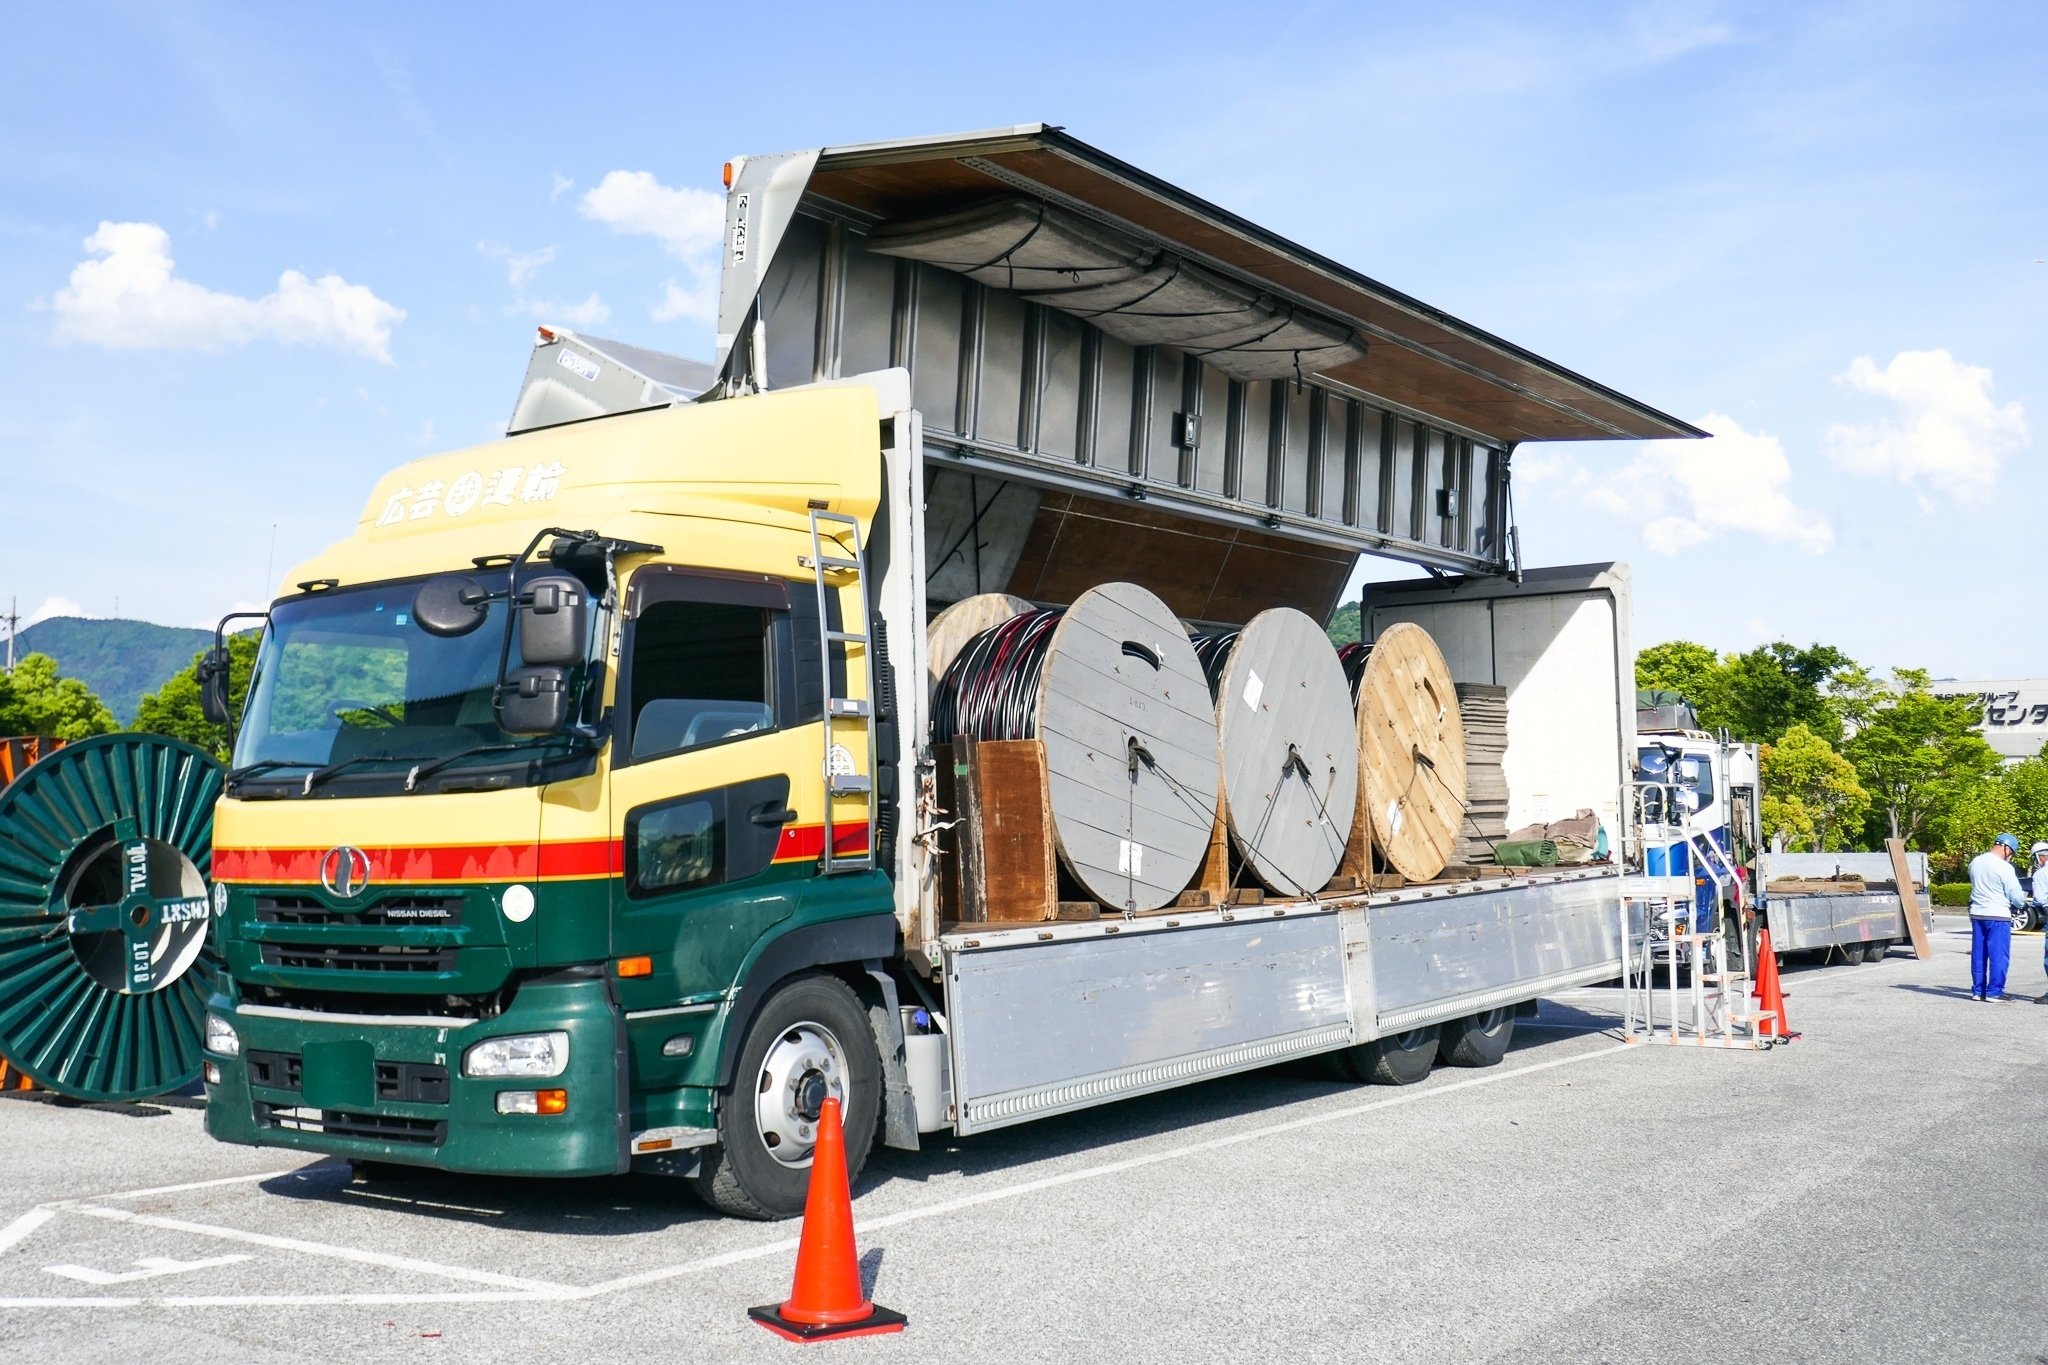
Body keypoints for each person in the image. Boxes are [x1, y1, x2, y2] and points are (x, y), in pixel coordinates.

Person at [1968, 833, 2026, 1002]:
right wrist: (2022, 905)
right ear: (2007, 849)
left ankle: (1978, 991)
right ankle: (1994, 991)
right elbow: (2015, 894)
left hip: (1978, 913)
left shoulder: (1975, 862)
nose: (2011, 857)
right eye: (2012, 853)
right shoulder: (2004, 867)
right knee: (1998, 954)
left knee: (1979, 953)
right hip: (1998, 914)